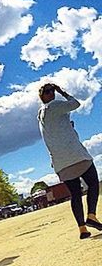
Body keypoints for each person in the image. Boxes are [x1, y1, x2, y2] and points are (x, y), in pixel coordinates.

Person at [38, 82, 102, 239]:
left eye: (52, 90)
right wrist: (62, 92)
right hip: (76, 155)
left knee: (75, 194)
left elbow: (55, 132)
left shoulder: (40, 115)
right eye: (49, 91)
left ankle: (82, 229)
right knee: (93, 183)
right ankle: (91, 216)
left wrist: (68, 127)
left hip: (60, 163)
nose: (51, 93)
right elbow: (75, 104)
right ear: (43, 96)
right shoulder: (54, 105)